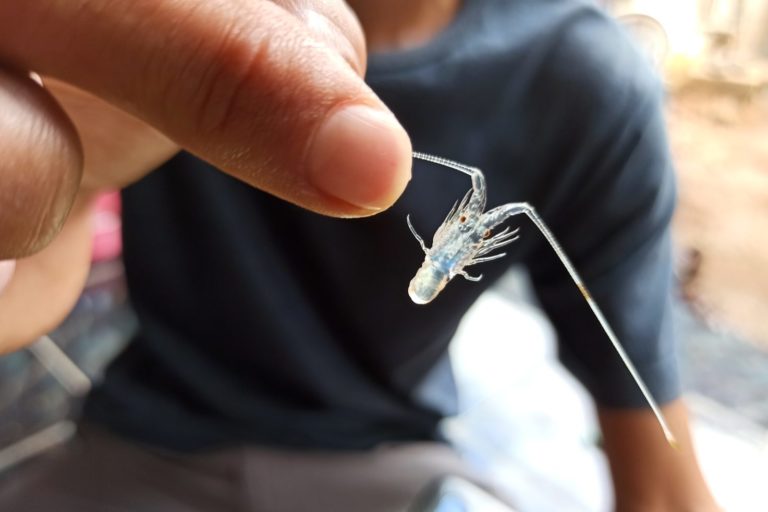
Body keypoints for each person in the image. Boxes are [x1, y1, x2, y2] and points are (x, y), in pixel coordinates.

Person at [0, 0, 720, 510]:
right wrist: (68, 181)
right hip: (144, 440)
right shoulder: (147, 24)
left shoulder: (588, 82)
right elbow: (29, 290)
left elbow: (661, 480)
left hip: (385, 466)